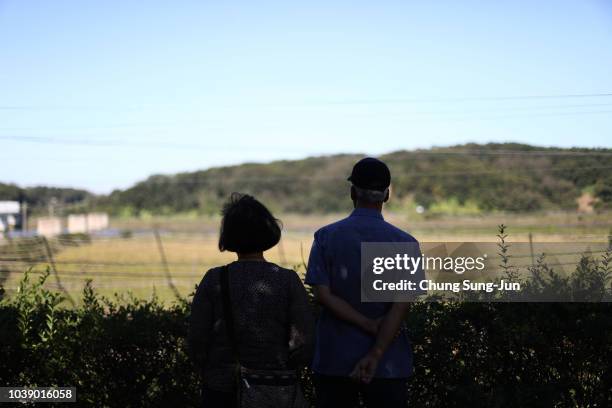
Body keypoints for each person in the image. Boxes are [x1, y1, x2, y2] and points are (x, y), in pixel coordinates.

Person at [305, 157, 422, 408]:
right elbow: (401, 306)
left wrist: (365, 323)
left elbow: (323, 296)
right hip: (389, 363)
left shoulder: (326, 237)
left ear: (352, 192)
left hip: (334, 360)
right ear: (387, 195)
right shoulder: (405, 243)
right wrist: (376, 353)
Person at [189, 193, 314, 407]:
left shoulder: (214, 279)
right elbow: (304, 344)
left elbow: (197, 342)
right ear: (268, 232)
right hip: (278, 389)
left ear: (228, 235)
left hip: (222, 389)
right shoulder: (288, 280)